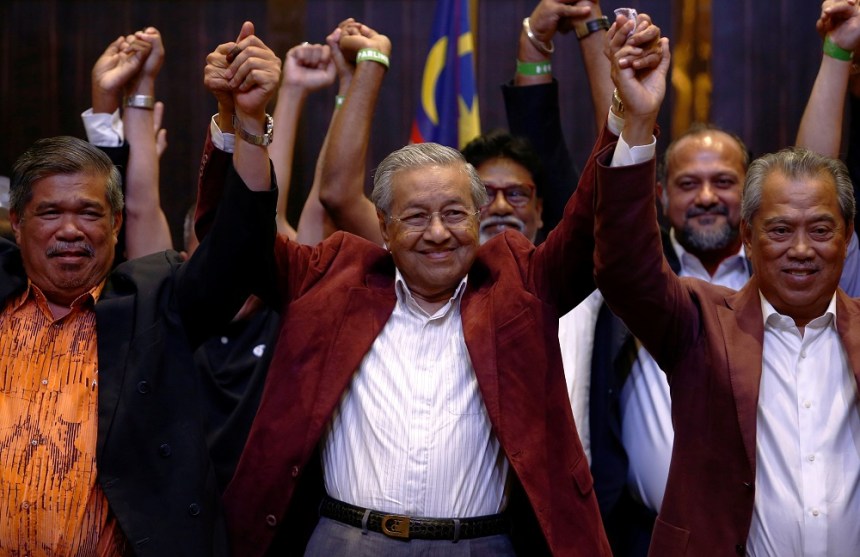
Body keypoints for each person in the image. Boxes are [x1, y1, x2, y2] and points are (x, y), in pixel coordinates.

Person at [193, 23, 613, 556]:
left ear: (479, 218)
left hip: (480, 544)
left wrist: (627, 116)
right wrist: (244, 123)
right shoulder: (330, 277)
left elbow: (591, 221)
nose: (438, 233)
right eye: (415, 217)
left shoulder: (519, 283)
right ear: (383, 228)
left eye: (455, 214)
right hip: (346, 540)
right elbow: (235, 246)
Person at [0, 23, 277, 553]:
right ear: (16, 225)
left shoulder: (154, 302)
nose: (70, 229)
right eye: (50, 213)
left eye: (89, 213)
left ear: (116, 224)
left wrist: (246, 122)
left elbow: (238, 252)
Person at [595, 11, 860, 556]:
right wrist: (638, 123)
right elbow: (626, 269)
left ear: (848, 237)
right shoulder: (700, 323)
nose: (802, 249)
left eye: (821, 230)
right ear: (750, 234)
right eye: (781, 230)